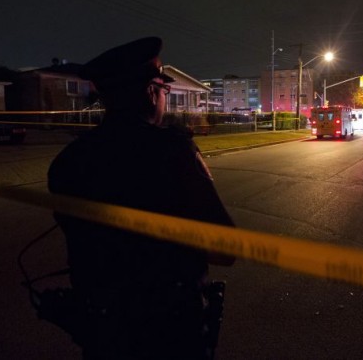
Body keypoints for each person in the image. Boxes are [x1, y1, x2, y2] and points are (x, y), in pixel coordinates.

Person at [47, 36, 235, 359]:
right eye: (164, 90)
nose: (164, 97)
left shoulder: (67, 162)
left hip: (104, 332)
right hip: (171, 333)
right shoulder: (175, 152)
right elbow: (225, 247)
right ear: (151, 91)